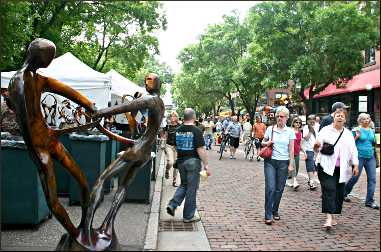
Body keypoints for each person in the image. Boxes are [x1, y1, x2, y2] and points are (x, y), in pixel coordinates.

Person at [314, 109, 359, 230]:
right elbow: (318, 145)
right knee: (329, 189)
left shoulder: (348, 134)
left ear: (345, 119)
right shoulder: (325, 130)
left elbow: (353, 150)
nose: (339, 117)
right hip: (326, 166)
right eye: (337, 115)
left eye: (342, 116)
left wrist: (355, 165)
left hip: (341, 168)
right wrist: (317, 146)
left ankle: (333, 215)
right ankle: (328, 217)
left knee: (339, 193)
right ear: (333, 118)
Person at [166, 108, 210, 223]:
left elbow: (175, 146)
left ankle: (173, 204)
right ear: (194, 117)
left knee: (184, 185)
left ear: (184, 117)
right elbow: (200, 149)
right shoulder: (196, 131)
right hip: (193, 162)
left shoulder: (178, 130)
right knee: (192, 189)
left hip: (181, 161)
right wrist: (206, 164)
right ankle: (188, 216)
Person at [262, 106, 296, 225]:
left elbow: (291, 149)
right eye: (278, 116)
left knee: (279, 189)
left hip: (283, 162)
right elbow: (262, 142)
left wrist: (291, 164)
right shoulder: (270, 129)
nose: (279, 118)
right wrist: (267, 142)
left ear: (287, 118)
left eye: (281, 116)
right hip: (270, 161)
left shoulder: (290, 131)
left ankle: (275, 210)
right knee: (270, 187)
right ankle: (268, 214)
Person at [343, 113, 379, 209]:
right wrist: (356, 137)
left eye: (368, 118)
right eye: (364, 119)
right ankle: (344, 193)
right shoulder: (356, 130)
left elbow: (373, 143)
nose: (366, 120)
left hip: (370, 157)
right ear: (360, 120)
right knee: (355, 177)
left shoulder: (372, 130)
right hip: (359, 157)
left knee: (372, 179)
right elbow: (349, 144)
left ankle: (369, 201)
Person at [286, 117, 305, 190]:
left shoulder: (300, 133)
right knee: (293, 166)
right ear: (293, 123)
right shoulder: (290, 131)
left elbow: (300, 144)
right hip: (290, 152)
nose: (298, 124)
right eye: (296, 122)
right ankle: (295, 182)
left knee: (296, 168)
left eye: (299, 123)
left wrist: (304, 152)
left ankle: (289, 180)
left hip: (297, 152)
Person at [302, 115, 319, 190]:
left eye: (313, 120)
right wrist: (310, 131)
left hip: (317, 150)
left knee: (316, 167)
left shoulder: (318, 126)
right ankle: (311, 182)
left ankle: (311, 180)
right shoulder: (306, 127)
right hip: (309, 149)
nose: (312, 121)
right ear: (307, 121)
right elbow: (305, 138)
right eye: (310, 120)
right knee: (310, 166)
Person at [163, 111, 180, 187]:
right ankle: (167, 170)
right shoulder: (168, 126)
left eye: (174, 116)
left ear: (177, 117)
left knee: (176, 164)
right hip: (169, 145)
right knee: (171, 162)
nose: (173, 117)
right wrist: (163, 145)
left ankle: (174, 180)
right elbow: (165, 136)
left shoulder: (180, 126)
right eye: (171, 116)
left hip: (177, 147)